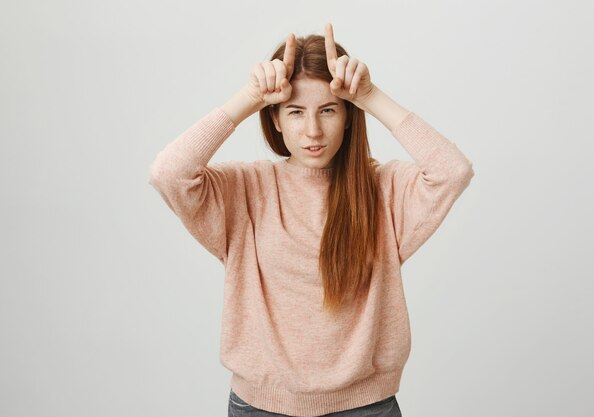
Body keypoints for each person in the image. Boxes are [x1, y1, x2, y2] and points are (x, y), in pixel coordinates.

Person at [148, 23, 474, 417]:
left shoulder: (383, 188)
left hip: (366, 406)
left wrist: (370, 95)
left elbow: (452, 170)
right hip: (261, 407)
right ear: (276, 119)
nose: (313, 130)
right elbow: (168, 173)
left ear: (350, 116)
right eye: (296, 112)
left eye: (329, 110)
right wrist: (248, 98)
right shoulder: (247, 189)